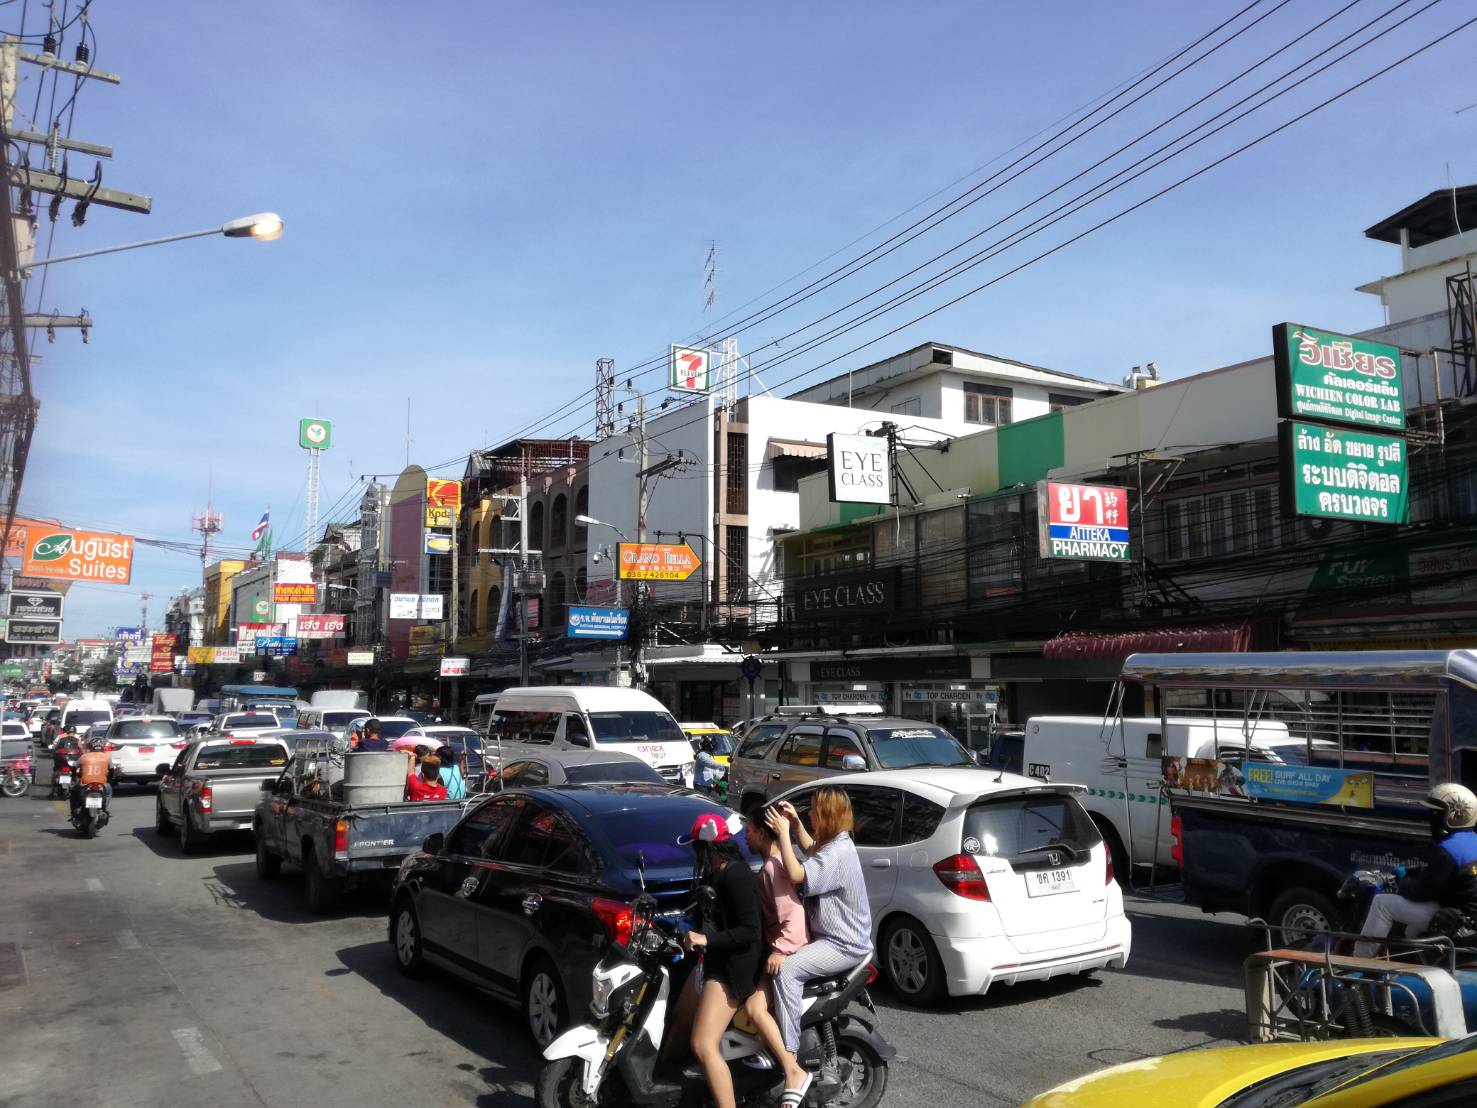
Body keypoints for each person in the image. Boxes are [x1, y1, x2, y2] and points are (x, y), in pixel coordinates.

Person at [766, 789, 872, 1103]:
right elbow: (812, 848)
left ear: (827, 815)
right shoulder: (835, 844)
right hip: (832, 938)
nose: (810, 815)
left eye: (813, 811)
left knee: (786, 972)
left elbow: (798, 873)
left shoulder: (838, 852)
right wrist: (796, 823)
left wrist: (784, 833)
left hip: (843, 944)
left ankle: (790, 1058)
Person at [679, 812, 763, 1108]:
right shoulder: (716, 874)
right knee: (678, 1024)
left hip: (732, 967)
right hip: (715, 960)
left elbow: (750, 931)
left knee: (702, 1044)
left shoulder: (736, 875)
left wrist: (706, 940)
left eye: (698, 848)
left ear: (709, 847)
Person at [1355, 783, 1477, 957]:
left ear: (1454, 816)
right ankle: (1414, 960)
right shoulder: (1470, 841)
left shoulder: (1448, 849)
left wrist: (1400, 883)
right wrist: (1414, 872)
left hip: (1460, 923)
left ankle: (1359, 964)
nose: (1430, 818)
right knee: (1411, 929)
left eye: (1436, 813)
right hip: (1465, 916)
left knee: (1382, 904)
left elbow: (1422, 892)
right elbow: (1448, 876)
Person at [741, 810, 809, 1065]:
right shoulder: (774, 863)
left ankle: (791, 1069)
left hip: (788, 952)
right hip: (780, 948)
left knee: (754, 1008)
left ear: (761, 833)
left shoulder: (773, 867)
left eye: (748, 831)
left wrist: (779, 951)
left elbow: (793, 914)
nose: (745, 837)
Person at [71, 736, 115, 817]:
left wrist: (74, 777)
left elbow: (74, 767)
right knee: (109, 792)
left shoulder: (84, 756)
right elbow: (112, 771)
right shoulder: (107, 757)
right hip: (102, 784)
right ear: (102, 746)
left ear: (91, 746)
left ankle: (74, 811)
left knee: (73, 792)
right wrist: (109, 780)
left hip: (85, 783)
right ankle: (105, 809)